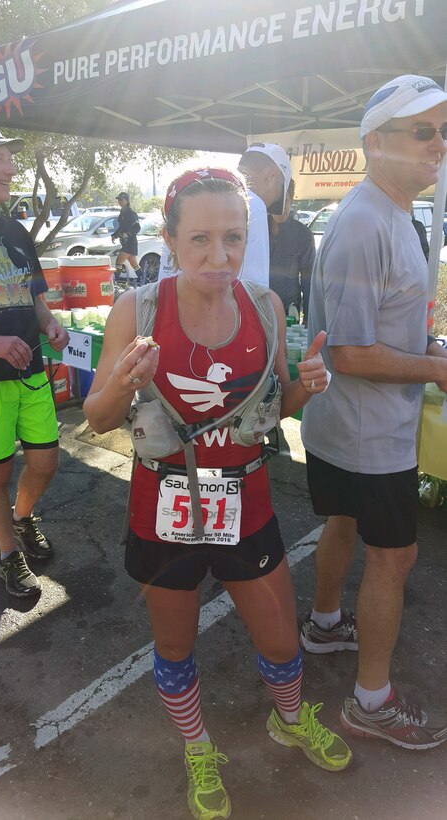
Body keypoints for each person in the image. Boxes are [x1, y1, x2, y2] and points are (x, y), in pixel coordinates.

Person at [84, 167, 352, 820]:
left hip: (246, 501)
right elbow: (96, 417)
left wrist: (306, 385)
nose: (219, 256)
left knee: (282, 641)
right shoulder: (137, 310)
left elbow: (273, 411)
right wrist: (121, 382)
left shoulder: (262, 306)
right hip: (161, 505)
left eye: (232, 238)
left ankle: (288, 719)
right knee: (175, 647)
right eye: (200, 239)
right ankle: (197, 745)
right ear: (171, 239)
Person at [300, 75, 447, 749]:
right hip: (368, 435)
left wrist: (426, 344)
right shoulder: (364, 222)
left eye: (442, 132)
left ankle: (325, 624)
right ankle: (370, 701)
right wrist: (436, 367)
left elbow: (372, 333)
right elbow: (351, 353)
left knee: (342, 521)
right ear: (375, 143)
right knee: (395, 558)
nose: (438, 145)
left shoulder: (387, 215)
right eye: (424, 131)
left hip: (347, 428)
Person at [0, 123, 69, 598]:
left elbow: (33, 296)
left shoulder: (16, 229)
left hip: (31, 371)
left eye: (10, 158)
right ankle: (7, 554)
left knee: (46, 461)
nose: (11, 168)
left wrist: (50, 323)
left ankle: (22, 517)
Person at [238, 142, 291, 285]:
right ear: (271, 176)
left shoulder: (209, 191)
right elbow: (256, 288)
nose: (274, 201)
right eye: (280, 188)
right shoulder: (254, 204)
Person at [269, 179, 315, 324]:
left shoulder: (303, 235)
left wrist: (307, 320)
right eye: (277, 201)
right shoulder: (255, 230)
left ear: (292, 199)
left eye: (286, 200)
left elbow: (309, 282)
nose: (282, 207)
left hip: (289, 313)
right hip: (258, 309)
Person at [112, 191, 142, 281]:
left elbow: (137, 228)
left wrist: (127, 234)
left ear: (127, 201)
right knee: (134, 265)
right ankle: (144, 281)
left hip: (130, 243)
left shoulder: (131, 213)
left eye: (121, 199)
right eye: (118, 199)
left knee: (118, 262)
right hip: (125, 243)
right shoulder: (122, 213)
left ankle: (115, 283)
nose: (119, 201)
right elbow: (121, 227)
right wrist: (114, 235)